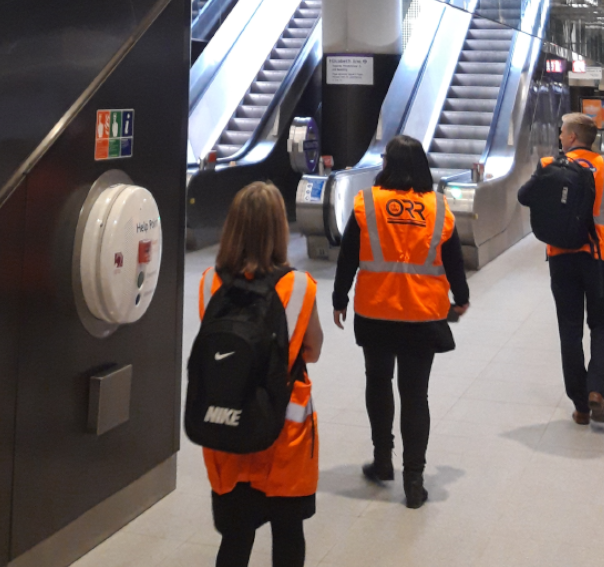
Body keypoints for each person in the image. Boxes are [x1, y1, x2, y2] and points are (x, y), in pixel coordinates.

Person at [331, 135, 470, 509]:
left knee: (378, 382)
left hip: (376, 312)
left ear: (388, 166)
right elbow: (454, 259)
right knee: (415, 394)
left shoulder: (368, 205)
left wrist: (339, 297)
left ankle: (382, 461)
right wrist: (462, 298)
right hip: (422, 315)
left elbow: (348, 257)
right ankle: (414, 479)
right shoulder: (439, 208)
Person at [198, 182, 324, 567]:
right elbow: (313, 350)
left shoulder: (209, 283)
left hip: (227, 432)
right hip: (284, 438)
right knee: (288, 538)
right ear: (278, 229)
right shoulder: (298, 287)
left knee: (235, 541)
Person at [519, 113, 604, 425]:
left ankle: (581, 405)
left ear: (572, 137)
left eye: (562, 132)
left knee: (569, 330)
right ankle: (597, 389)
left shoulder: (549, 166)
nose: (559, 136)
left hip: (562, 256)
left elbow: (524, 197)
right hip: (602, 258)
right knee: (601, 325)